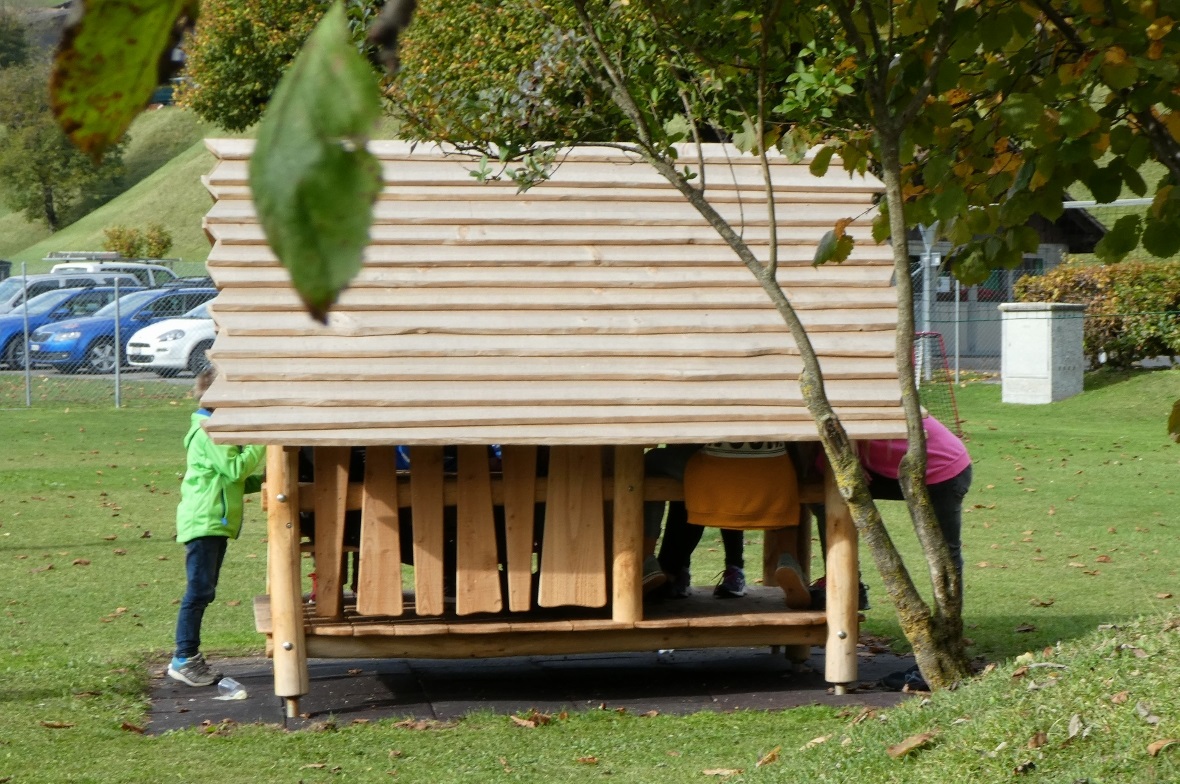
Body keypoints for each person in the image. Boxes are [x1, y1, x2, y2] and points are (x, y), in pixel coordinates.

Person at [810, 414, 973, 691]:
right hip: (898, 470)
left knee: (943, 557)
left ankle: (943, 651)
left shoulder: (871, 394)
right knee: (821, 493)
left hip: (941, 469)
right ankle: (850, 582)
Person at [167, 368, 266, 687]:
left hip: (212, 522)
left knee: (203, 591)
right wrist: (264, 440)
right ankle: (184, 658)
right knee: (198, 591)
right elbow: (235, 468)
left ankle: (187, 656)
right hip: (204, 522)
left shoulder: (212, 427)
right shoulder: (212, 430)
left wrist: (263, 481)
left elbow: (229, 479)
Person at [644, 442, 810, 608]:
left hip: (712, 469)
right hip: (776, 471)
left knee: (648, 463)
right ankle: (790, 558)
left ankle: (647, 559)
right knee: (791, 463)